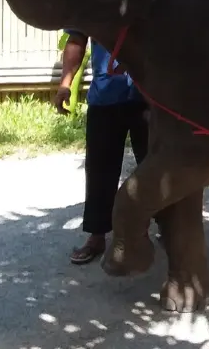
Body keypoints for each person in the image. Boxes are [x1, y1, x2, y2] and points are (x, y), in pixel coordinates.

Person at [54, 31, 151, 265]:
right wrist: (65, 83)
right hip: (106, 97)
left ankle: (169, 230)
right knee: (99, 170)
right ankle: (97, 236)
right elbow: (76, 39)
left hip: (148, 97)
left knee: (154, 165)